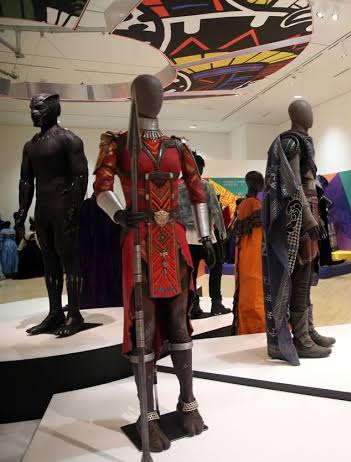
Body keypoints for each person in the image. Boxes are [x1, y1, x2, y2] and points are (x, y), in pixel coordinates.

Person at [94, 75, 214, 451]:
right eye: (147, 93)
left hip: (174, 243)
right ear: (134, 97)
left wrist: (207, 237)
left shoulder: (178, 146)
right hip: (139, 242)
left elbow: (197, 191)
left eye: (158, 92)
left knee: (179, 323)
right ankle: (148, 413)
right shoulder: (118, 144)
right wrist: (118, 213)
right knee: (143, 327)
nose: (154, 98)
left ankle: (188, 401)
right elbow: (101, 187)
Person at [262, 99, 336, 365]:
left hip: (308, 216)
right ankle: (301, 339)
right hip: (296, 223)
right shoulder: (291, 143)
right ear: (298, 115)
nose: (311, 115)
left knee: (306, 279)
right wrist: (308, 220)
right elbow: (293, 187)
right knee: (299, 279)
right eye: (308, 111)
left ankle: (308, 331)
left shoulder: (303, 142)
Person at [16, 93, 88, 336]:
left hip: (63, 207)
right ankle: (55, 312)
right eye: (32, 108)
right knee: (49, 262)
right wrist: (22, 212)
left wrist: (74, 208)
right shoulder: (31, 146)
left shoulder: (69, 140)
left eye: (39, 108)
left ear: (54, 110)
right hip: (43, 209)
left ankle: (75, 314)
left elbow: (80, 176)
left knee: (69, 261)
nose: (34, 113)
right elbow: (26, 181)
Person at [178, 152, 229, 318]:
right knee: (216, 269)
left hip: (186, 238)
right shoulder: (206, 186)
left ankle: (194, 306)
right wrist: (222, 232)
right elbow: (216, 210)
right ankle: (216, 303)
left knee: (190, 274)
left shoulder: (177, 187)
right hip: (207, 237)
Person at [232, 171, 266, 335]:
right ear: (259, 185)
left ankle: (244, 326)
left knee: (245, 291)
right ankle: (256, 327)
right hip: (254, 255)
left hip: (242, 255)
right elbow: (259, 235)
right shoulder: (255, 205)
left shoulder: (242, 204)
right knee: (255, 291)